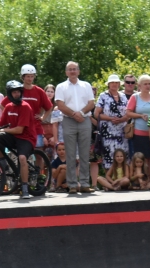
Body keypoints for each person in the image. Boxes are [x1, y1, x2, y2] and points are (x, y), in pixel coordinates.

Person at [0, 80, 36, 199]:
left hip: (26, 138)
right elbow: (0, 125)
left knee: (22, 158)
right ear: (10, 94)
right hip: (14, 137)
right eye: (14, 92)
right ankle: (3, 164)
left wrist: (3, 130)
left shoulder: (25, 107)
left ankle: (25, 188)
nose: (17, 94)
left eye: (18, 92)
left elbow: (19, 130)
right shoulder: (8, 107)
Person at [54, 61, 96, 193]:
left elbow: (91, 103)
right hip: (68, 120)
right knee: (70, 154)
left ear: (78, 71)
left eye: (75, 69)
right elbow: (60, 105)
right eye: (70, 69)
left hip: (84, 120)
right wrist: (73, 114)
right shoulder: (61, 87)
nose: (72, 71)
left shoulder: (86, 85)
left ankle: (84, 184)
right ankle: (72, 185)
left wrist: (81, 113)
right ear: (66, 72)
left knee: (84, 153)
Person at [126, 74, 150, 185]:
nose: (148, 86)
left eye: (149, 84)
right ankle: (140, 181)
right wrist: (140, 116)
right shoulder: (135, 97)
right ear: (139, 85)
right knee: (140, 158)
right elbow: (128, 112)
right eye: (145, 84)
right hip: (138, 132)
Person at [94, 75, 129, 172]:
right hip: (107, 132)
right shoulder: (103, 96)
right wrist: (110, 118)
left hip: (122, 132)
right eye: (112, 82)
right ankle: (109, 181)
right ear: (108, 84)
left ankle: (121, 180)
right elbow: (97, 114)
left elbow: (128, 112)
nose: (114, 84)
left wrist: (122, 119)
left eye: (116, 82)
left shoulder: (123, 96)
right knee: (108, 156)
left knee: (122, 155)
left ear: (119, 84)